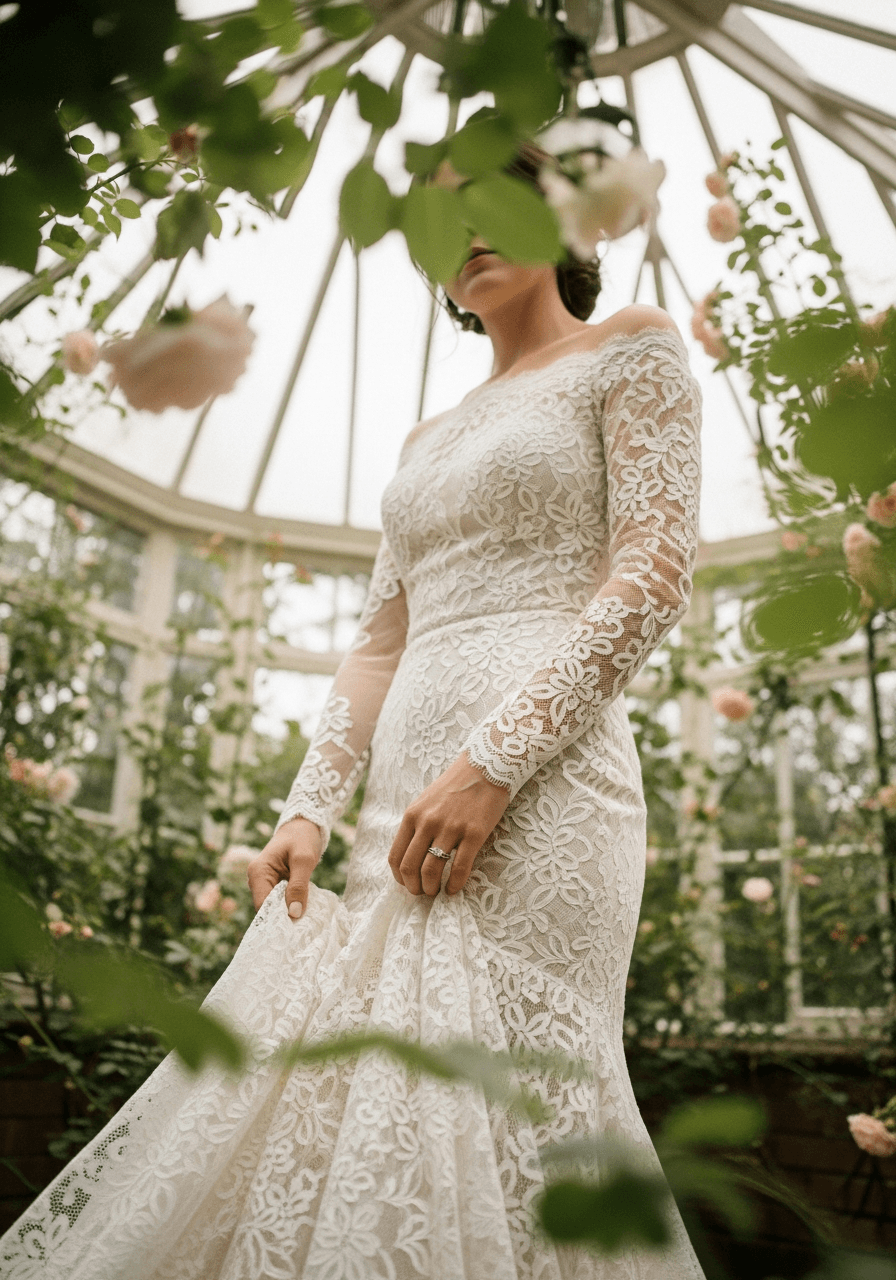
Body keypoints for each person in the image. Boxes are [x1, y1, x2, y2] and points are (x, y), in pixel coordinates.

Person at [0, 142, 705, 1279]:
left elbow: (653, 571)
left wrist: (495, 761)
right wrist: (307, 810)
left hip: (547, 789)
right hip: (392, 799)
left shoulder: (632, 346)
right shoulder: (422, 440)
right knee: (359, 1097)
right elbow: (378, 640)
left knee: (514, 1089)